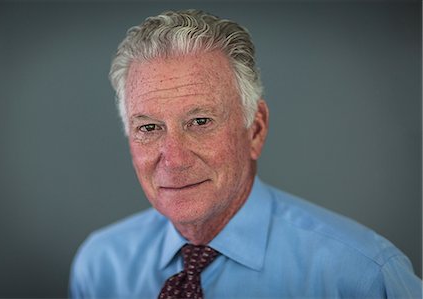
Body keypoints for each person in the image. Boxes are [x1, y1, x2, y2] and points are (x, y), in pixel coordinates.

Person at [69, 9, 422, 299]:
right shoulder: (101, 266)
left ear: (255, 129)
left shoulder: (362, 276)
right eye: (148, 128)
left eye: (200, 121)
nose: (174, 159)